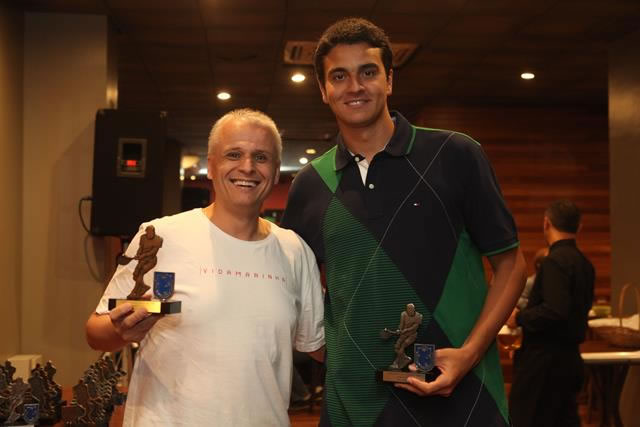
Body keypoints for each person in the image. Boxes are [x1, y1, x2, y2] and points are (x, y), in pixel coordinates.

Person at [281, 17, 526, 426]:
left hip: (461, 395)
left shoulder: (455, 154)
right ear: (323, 90)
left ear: (389, 80)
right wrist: (330, 350)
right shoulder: (310, 183)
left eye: (368, 72)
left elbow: (511, 265)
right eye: (339, 76)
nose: (354, 86)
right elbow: (294, 287)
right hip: (353, 405)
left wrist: (469, 354)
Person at [86, 108, 325, 427]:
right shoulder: (160, 236)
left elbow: (317, 346)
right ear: (211, 165)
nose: (247, 167)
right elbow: (95, 333)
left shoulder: (295, 251)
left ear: (276, 169)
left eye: (261, 157)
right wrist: (118, 331)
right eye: (234, 154)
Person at [508, 200, 595, 427]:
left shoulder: (554, 261)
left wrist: (519, 317)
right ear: (579, 227)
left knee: (525, 420)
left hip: (544, 363)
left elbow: (555, 311)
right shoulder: (585, 264)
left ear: (546, 223)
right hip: (570, 359)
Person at [128, 225, 163, 299]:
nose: (149, 234)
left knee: (141, 273)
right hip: (142, 260)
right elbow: (141, 248)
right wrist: (138, 254)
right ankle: (144, 287)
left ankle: (134, 292)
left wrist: (143, 255)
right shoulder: (143, 237)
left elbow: (153, 252)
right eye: (147, 232)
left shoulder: (158, 239)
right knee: (135, 275)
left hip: (151, 260)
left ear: (153, 232)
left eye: (150, 232)